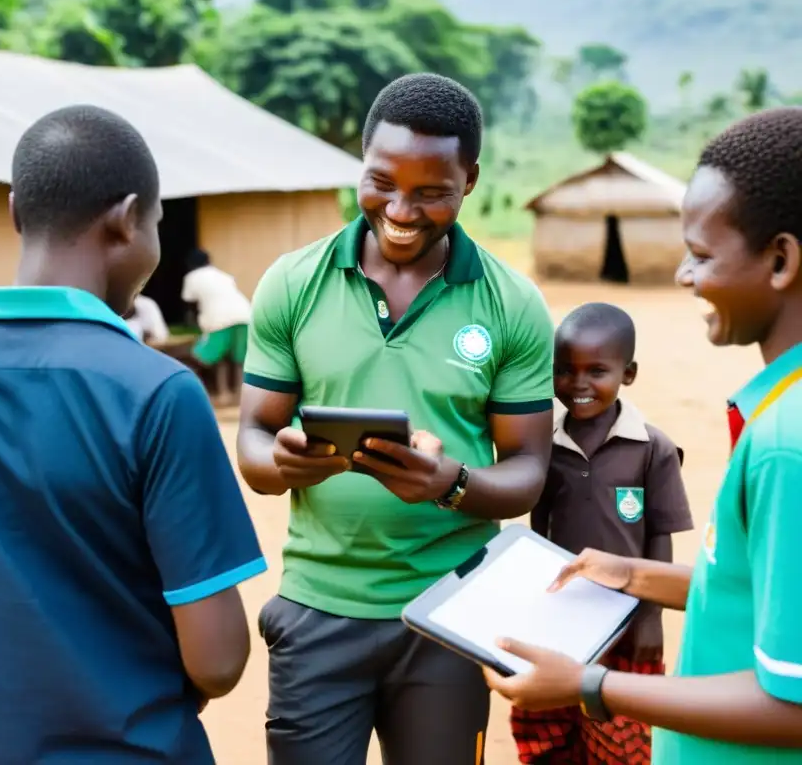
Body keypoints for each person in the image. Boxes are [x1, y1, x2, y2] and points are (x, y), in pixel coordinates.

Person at [0, 105, 266, 765]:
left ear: (13, 212)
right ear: (127, 218)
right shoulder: (159, 393)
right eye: (159, 224)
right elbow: (218, 661)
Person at [237, 72, 555, 765]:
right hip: (319, 609)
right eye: (381, 182)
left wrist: (451, 483)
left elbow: (529, 471)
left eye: (431, 191)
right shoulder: (293, 283)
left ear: (469, 179)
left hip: (451, 614)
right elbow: (254, 440)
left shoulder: (512, 304)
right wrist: (285, 462)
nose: (401, 210)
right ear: (361, 163)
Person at [482, 107, 802, 763]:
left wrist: (592, 686)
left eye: (702, 255)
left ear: (780, 260)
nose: (684, 275)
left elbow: (791, 704)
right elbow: (759, 593)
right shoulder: (779, 415)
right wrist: (632, 573)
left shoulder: (785, 445)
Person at [510, 302, 694, 764]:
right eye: (565, 371)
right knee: (549, 736)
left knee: (622, 741)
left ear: (627, 373)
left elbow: (660, 537)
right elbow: (539, 526)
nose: (579, 384)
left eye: (597, 371)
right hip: (559, 617)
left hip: (628, 624)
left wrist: (651, 618)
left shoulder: (653, 449)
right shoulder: (544, 445)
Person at [182, 248, 252, 406]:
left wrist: (193, 323)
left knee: (213, 358)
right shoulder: (223, 275)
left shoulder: (192, 277)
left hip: (217, 319)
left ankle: (223, 393)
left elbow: (190, 304)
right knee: (238, 359)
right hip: (244, 315)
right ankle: (239, 395)